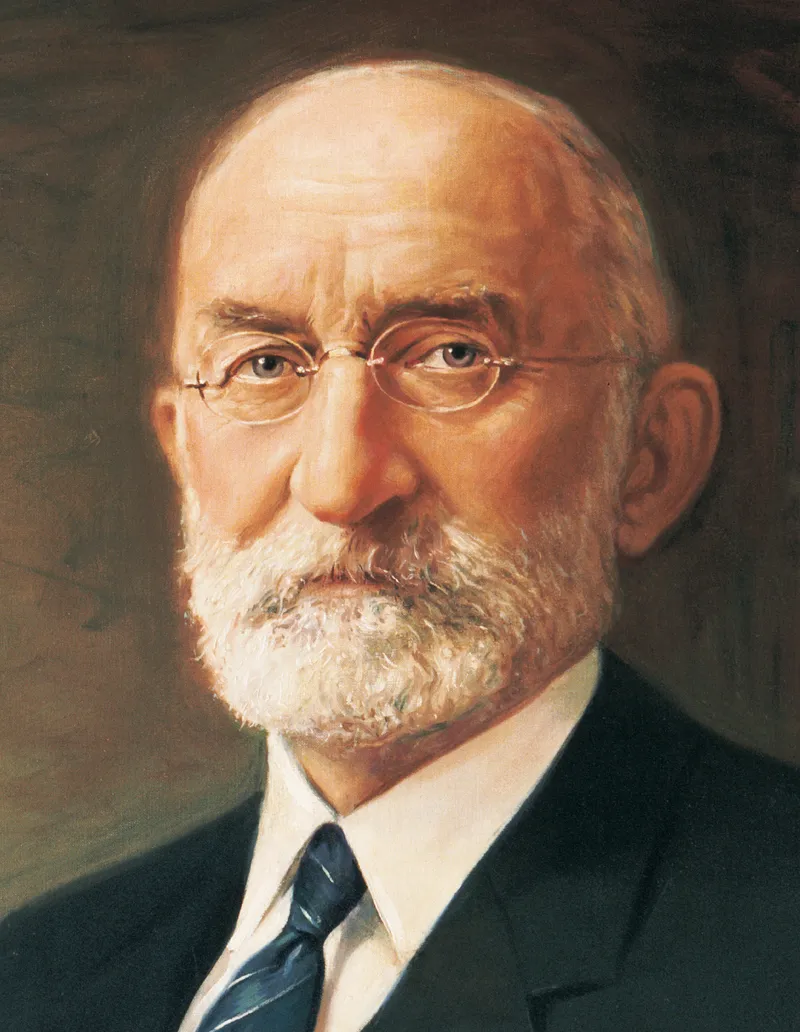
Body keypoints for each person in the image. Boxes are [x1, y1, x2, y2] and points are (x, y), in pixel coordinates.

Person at [2, 59, 799, 1032]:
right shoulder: (38, 975)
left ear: (648, 457)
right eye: (264, 364)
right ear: (183, 452)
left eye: (452, 355)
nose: (340, 483)